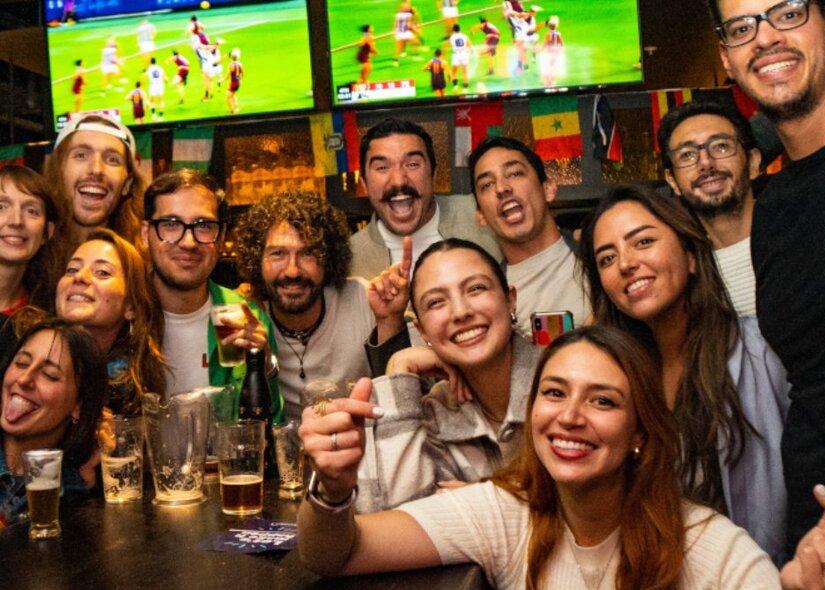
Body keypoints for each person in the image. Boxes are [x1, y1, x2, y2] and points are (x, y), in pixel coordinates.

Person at [297, 326, 787, 587]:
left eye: (602, 401)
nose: (569, 416)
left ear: (640, 431)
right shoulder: (507, 514)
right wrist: (333, 490)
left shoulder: (712, 550)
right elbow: (338, 554)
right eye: (554, 393)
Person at [706, 0, 825, 568]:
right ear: (727, 58)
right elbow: (816, 390)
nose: (765, 39)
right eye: (742, 27)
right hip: (824, 550)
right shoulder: (772, 212)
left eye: (786, 13)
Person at [580, 186, 789, 563]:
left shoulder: (760, 352)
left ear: (691, 255)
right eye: (607, 258)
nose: (625, 263)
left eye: (643, 242)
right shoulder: (616, 380)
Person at [345, 239, 540, 512]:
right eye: (436, 302)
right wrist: (399, 366)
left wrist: (491, 499)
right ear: (422, 331)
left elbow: (592, 502)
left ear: (510, 300)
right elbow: (395, 515)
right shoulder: (437, 412)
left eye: (476, 288)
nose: (461, 312)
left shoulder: (565, 382)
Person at [140, 169, 282, 419]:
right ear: (145, 234)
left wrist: (263, 371)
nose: (188, 242)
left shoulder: (245, 317)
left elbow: (271, 426)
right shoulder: (123, 313)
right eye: (171, 224)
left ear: (222, 236)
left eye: (204, 226)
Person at [234, 192, 377, 422]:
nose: (292, 271)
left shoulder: (362, 299)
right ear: (256, 260)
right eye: (278, 254)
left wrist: (392, 321)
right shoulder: (250, 318)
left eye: (308, 253)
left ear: (329, 258)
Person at [468, 136, 588, 339]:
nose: (501, 188)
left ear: (548, 189)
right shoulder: (489, 300)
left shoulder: (597, 256)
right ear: (480, 216)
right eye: (487, 184)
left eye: (515, 173)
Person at [351, 117, 501, 280]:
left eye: (412, 164)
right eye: (382, 167)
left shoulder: (482, 213)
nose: (399, 180)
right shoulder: (349, 258)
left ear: (433, 175)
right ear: (364, 184)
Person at [658, 100, 761, 317]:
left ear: (752, 163)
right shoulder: (683, 276)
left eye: (721, 146)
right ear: (672, 181)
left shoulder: (800, 235)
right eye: (687, 155)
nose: (705, 163)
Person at [1, 318, 107, 527]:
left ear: (78, 405)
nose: (24, 379)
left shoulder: (77, 494)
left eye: (49, 375)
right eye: (21, 363)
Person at [54, 228, 165, 415]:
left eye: (102, 272)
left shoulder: (129, 398)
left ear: (131, 307)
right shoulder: (17, 346)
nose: (79, 277)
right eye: (72, 269)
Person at [43, 114, 145, 249]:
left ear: (127, 184)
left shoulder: (146, 258)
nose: (96, 170)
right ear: (58, 172)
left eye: (112, 160)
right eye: (81, 155)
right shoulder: (27, 253)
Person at [0, 166, 58, 369]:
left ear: (47, 232)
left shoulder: (47, 320)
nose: (16, 221)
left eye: (31, 211)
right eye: (1, 207)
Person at [448, 24, 470, 92]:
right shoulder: (464, 36)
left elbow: (448, 45)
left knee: (453, 72)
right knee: (465, 72)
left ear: (453, 30)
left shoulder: (452, 37)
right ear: (460, 29)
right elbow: (469, 45)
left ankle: (455, 86)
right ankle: (465, 88)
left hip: (456, 55)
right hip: (464, 54)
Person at [145, 57, 167, 122]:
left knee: (152, 101)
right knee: (161, 101)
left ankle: (153, 114)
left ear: (150, 62)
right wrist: (165, 81)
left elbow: (146, 76)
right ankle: (161, 117)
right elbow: (164, 77)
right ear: (155, 61)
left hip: (153, 85)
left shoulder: (149, 69)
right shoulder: (160, 68)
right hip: (160, 84)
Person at [224, 48, 243, 115]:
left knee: (227, 98)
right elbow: (243, 74)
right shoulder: (240, 64)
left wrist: (222, 80)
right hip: (237, 82)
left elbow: (228, 75)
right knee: (233, 95)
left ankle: (232, 112)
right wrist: (239, 79)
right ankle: (236, 107)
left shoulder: (231, 65)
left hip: (233, 83)